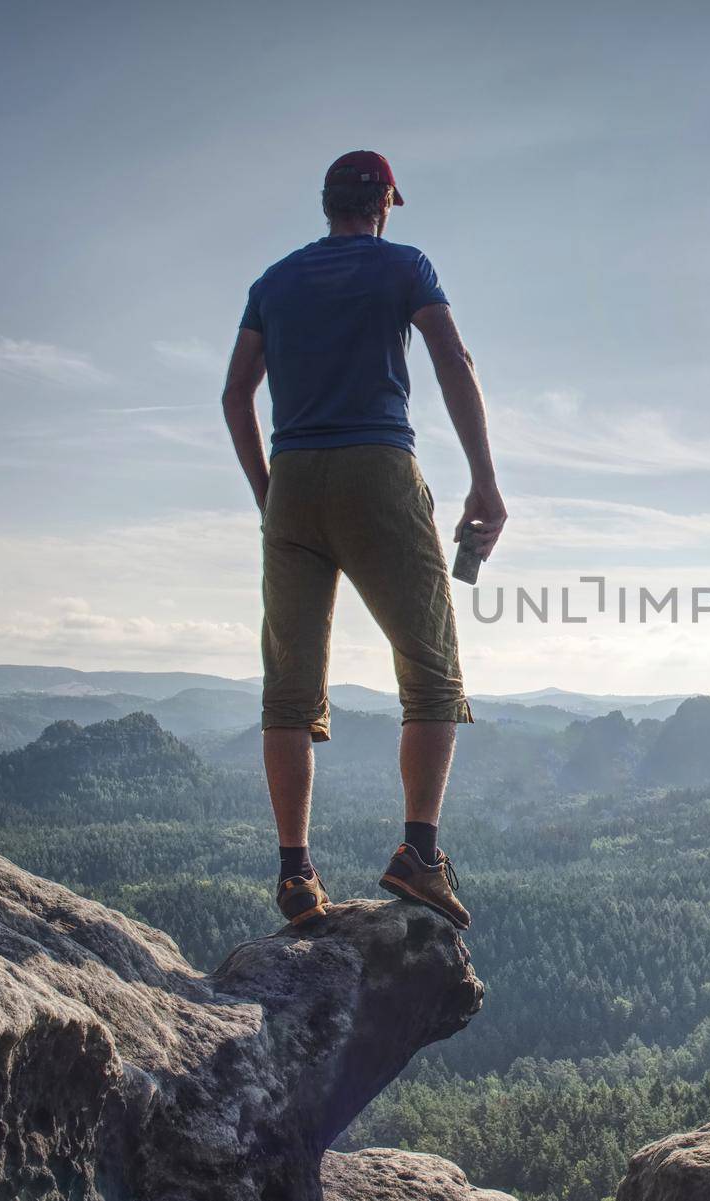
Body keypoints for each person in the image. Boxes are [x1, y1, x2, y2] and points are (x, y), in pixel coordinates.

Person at [220, 150, 505, 930]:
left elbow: (235, 392)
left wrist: (267, 493)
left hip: (294, 480)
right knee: (432, 671)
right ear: (383, 204)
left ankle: (295, 875)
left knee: (289, 685)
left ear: (326, 205)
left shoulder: (273, 282)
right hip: (378, 470)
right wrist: (485, 479)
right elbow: (451, 356)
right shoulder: (404, 265)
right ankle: (418, 855)